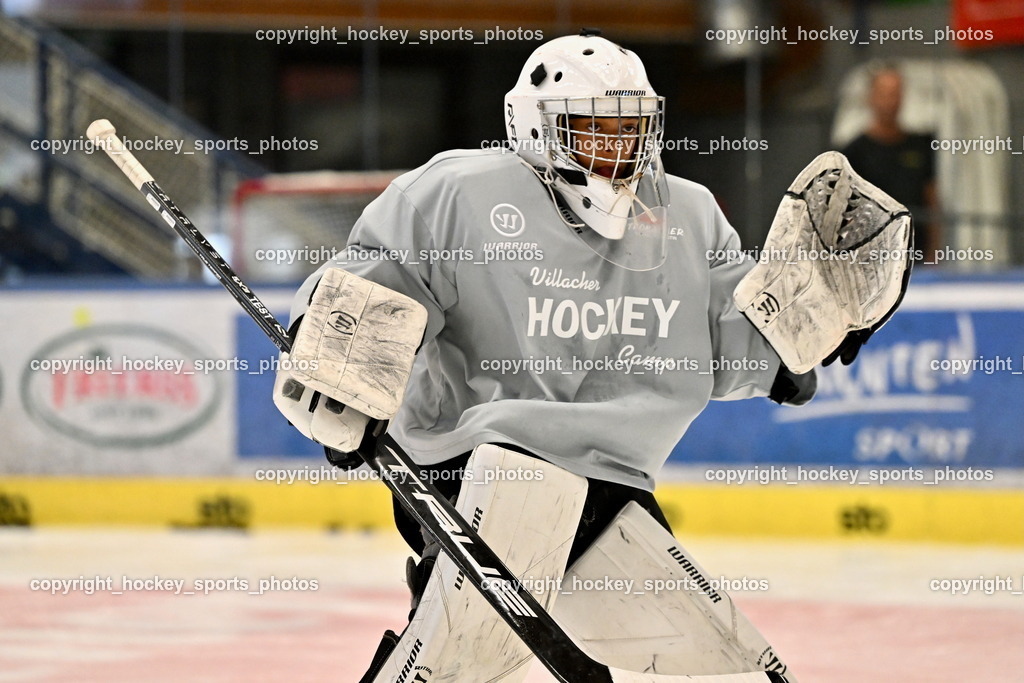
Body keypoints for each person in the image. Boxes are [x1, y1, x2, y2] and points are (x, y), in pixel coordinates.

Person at [273, 30, 911, 682]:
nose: (620, 153)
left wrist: (800, 332)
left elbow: (725, 338)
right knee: (486, 598)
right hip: (473, 472)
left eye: (632, 133)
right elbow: (381, 277)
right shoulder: (458, 196)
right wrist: (341, 365)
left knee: (737, 670)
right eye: (598, 132)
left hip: (608, 489)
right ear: (536, 128)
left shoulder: (685, 214)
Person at [841, 65, 940, 263]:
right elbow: (845, 212)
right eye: (884, 94)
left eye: (896, 94)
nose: (890, 102)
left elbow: (931, 199)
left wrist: (933, 253)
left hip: (914, 254)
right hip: (871, 258)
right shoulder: (854, 151)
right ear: (871, 98)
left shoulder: (920, 145)